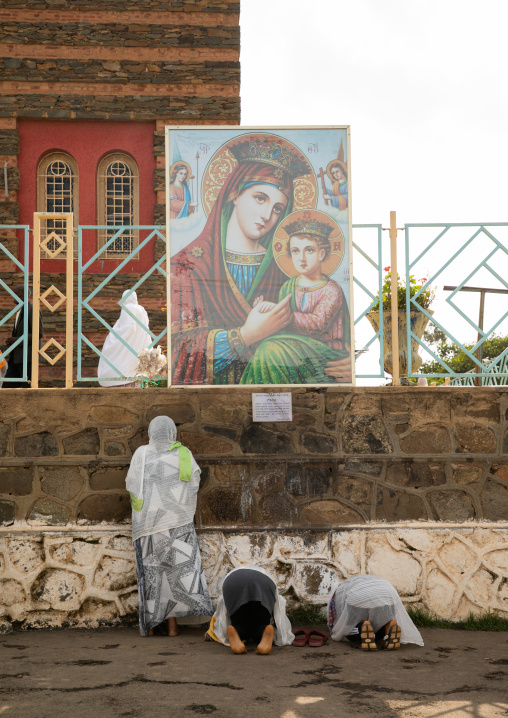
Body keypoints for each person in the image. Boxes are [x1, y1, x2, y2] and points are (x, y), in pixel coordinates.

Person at [170, 132, 352, 385]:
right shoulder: (188, 266)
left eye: (278, 208)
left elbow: (315, 330)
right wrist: (245, 335)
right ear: (234, 193)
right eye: (260, 198)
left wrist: (339, 360)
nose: (267, 215)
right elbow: (179, 353)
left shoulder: (285, 267)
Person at [126, 416, 214, 637]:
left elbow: (132, 483)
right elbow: (193, 481)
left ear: (151, 432)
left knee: (153, 574)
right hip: (177, 522)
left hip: (148, 524)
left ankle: (153, 626)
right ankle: (173, 627)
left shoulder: (142, 453)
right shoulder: (182, 453)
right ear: (172, 432)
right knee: (175, 576)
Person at [240, 216, 351, 384]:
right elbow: (282, 327)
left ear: (321, 253)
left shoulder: (331, 289)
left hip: (324, 351)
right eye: (296, 251)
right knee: (266, 351)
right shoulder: (288, 286)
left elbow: (317, 324)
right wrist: (266, 312)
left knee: (269, 350)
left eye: (309, 250)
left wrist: (284, 315)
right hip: (294, 347)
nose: (302, 258)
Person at [206, 566, 294, 654]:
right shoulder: (263, 573)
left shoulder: (233, 573)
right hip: (263, 582)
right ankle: (265, 630)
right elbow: (277, 606)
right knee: (261, 624)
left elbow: (222, 610)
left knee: (240, 625)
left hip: (232, 582)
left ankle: (235, 630)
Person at [327, 576, 424, 650]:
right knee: (379, 625)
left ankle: (362, 629)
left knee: (349, 630)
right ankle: (389, 625)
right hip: (387, 590)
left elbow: (344, 623)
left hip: (358, 594)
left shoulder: (340, 592)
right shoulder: (360, 581)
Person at [98, 290, 151, 387]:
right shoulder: (142, 310)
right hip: (138, 343)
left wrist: (114, 335)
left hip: (128, 342)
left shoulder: (128, 308)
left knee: (122, 362)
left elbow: (129, 327)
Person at [2, 284, 43, 388]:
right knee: (7, 389)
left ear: (25, 295)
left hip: (27, 358)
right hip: (16, 358)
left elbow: (37, 334)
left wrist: (17, 340)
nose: (13, 296)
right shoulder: (20, 311)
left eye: (16, 294)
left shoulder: (32, 310)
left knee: (27, 388)